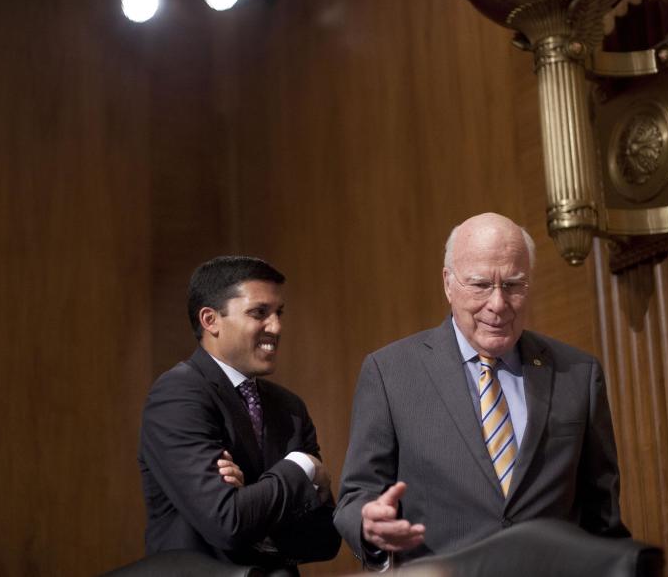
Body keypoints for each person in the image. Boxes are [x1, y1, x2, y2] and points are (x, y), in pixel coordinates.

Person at [333, 213, 628, 567]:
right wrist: (369, 523)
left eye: (514, 285)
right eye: (481, 285)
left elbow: (603, 515)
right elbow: (355, 496)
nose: (498, 304)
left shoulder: (577, 374)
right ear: (448, 283)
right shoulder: (391, 373)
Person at [138, 256, 340, 572]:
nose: (276, 327)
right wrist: (301, 467)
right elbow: (227, 522)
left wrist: (252, 498)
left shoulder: (290, 408)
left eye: (279, 313)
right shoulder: (178, 395)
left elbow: (324, 540)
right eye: (259, 313)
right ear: (210, 320)